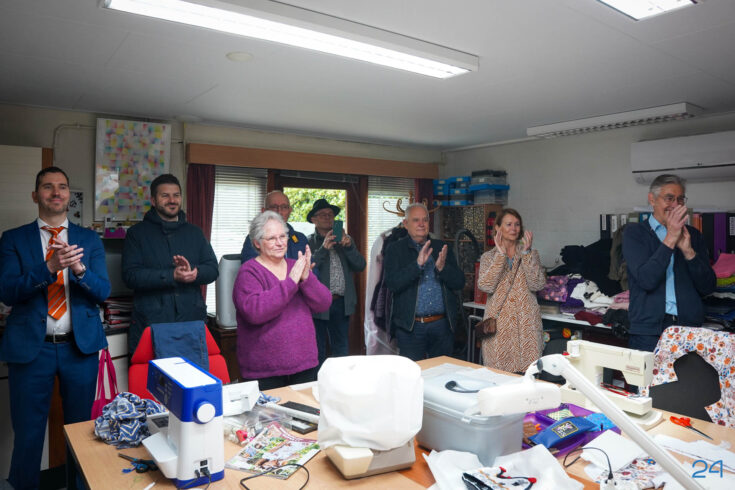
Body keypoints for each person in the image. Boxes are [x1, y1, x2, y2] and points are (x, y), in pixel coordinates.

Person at [0, 167, 110, 490]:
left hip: (80, 348)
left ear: (68, 196)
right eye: (48, 187)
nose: (56, 192)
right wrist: (48, 268)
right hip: (32, 349)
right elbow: (7, 291)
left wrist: (79, 270)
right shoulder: (13, 239)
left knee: (81, 430)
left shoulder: (89, 239)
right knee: (28, 431)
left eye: (62, 187)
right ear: (36, 196)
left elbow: (103, 291)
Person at [233, 211, 331, 389]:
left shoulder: (297, 266)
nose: (279, 243)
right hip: (265, 371)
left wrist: (306, 279)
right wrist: (291, 282)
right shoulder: (249, 272)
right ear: (257, 243)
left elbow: (324, 303)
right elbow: (255, 312)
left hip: (305, 365)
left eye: (282, 236)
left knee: (305, 408)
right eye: (271, 238)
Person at [122, 173, 218, 355]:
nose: (172, 200)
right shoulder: (137, 234)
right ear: (153, 200)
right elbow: (130, 276)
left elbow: (213, 269)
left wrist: (195, 273)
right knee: (153, 374)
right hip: (151, 323)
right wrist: (171, 275)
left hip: (191, 322)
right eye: (165, 195)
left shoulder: (195, 233)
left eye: (176, 195)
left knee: (193, 372)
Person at [623, 174, 716, 352]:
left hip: (689, 329)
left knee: (689, 373)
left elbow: (708, 287)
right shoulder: (635, 233)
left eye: (680, 199)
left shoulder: (693, 235)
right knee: (648, 372)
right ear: (652, 199)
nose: (675, 205)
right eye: (669, 198)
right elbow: (646, 280)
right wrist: (671, 238)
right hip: (648, 332)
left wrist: (689, 252)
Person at [384, 203, 464, 361]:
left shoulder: (441, 247)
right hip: (411, 328)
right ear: (406, 224)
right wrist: (417, 265)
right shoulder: (395, 249)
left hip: (441, 326)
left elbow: (459, 282)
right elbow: (393, 284)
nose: (421, 224)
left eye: (425, 220)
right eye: (416, 220)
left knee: (441, 372)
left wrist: (442, 268)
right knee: (413, 373)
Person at [477, 208, 546, 373]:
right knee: (498, 376)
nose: (513, 228)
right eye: (508, 224)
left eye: (517, 224)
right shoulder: (488, 257)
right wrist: (500, 256)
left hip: (527, 326)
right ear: (498, 228)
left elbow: (537, 285)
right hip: (499, 328)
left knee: (528, 376)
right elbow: (486, 286)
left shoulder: (531, 254)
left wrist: (527, 254)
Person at [307, 198, 366, 364]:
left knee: (341, 348)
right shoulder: (309, 241)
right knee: (317, 349)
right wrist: (323, 249)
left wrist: (349, 247)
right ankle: (317, 379)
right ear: (314, 220)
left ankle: (341, 379)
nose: (328, 217)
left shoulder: (345, 240)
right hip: (318, 304)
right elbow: (307, 269)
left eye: (330, 214)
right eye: (323, 214)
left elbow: (360, 265)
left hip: (341, 303)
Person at [240, 190, 308, 263]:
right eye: (274, 207)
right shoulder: (255, 238)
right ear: (264, 211)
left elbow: (311, 266)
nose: (279, 212)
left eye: (284, 207)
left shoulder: (300, 238)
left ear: (290, 210)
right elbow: (251, 267)